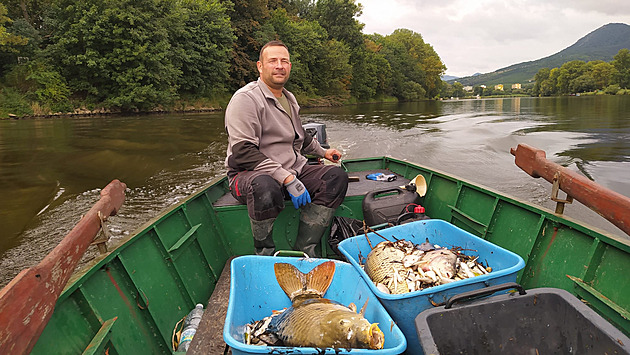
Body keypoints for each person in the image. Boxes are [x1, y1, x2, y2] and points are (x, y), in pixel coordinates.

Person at [224, 40, 348, 257]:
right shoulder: (245, 99)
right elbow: (242, 151)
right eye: (272, 61)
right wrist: (287, 179)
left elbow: (300, 136)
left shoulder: (289, 99)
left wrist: (323, 152)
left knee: (335, 177)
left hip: (291, 169)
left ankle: (306, 249)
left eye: (284, 61)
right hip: (247, 175)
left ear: (290, 66)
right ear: (260, 67)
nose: (279, 65)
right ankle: (265, 253)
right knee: (265, 185)